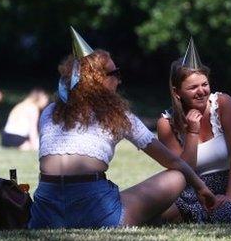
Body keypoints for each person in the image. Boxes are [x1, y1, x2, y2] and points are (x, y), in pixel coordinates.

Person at [29, 28, 216, 228]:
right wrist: (200, 186)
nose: (120, 80)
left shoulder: (50, 111)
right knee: (178, 177)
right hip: (96, 211)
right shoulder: (117, 114)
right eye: (115, 74)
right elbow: (172, 161)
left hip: (46, 214)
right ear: (97, 79)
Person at [156, 39, 231, 223]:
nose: (201, 91)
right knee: (159, 216)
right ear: (177, 92)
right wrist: (192, 134)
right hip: (192, 191)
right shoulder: (166, 124)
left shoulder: (223, 103)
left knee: (227, 214)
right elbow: (184, 170)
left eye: (205, 84)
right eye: (193, 87)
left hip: (230, 185)